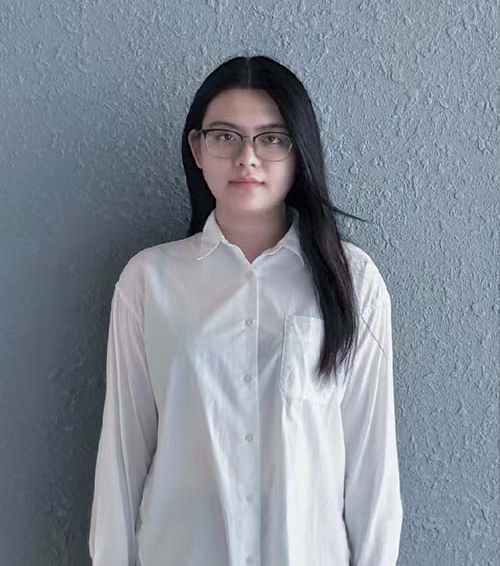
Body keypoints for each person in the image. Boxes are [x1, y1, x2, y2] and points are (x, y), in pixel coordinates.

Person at [88, 55, 403, 566]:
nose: (247, 158)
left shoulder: (354, 280)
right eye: (226, 136)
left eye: (271, 138)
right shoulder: (148, 282)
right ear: (197, 147)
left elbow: (373, 466)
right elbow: (122, 458)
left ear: (299, 150)